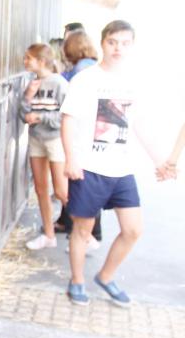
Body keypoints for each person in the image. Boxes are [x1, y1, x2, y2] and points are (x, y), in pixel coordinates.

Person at [60, 20, 172, 307]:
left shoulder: (134, 82)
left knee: (134, 229)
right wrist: (71, 159)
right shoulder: (86, 79)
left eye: (124, 43)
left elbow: (140, 125)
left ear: (131, 46)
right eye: (113, 42)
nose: (118, 48)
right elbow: (68, 120)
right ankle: (77, 281)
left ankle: (106, 276)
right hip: (89, 167)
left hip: (122, 169)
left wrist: (159, 161)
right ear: (103, 43)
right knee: (82, 231)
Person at [55, 31, 103, 245]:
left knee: (83, 186)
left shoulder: (82, 71)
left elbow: (71, 100)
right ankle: (78, 228)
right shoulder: (91, 66)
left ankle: (88, 234)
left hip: (81, 132)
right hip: (90, 132)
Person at [19, 43, 68, 250]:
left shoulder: (59, 83)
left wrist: (40, 116)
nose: (25, 61)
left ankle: (87, 231)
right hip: (36, 138)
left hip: (55, 139)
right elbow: (22, 115)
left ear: (41, 61)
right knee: (40, 188)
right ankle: (49, 233)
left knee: (61, 190)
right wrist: (28, 98)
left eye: (29, 58)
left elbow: (66, 115)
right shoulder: (32, 83)